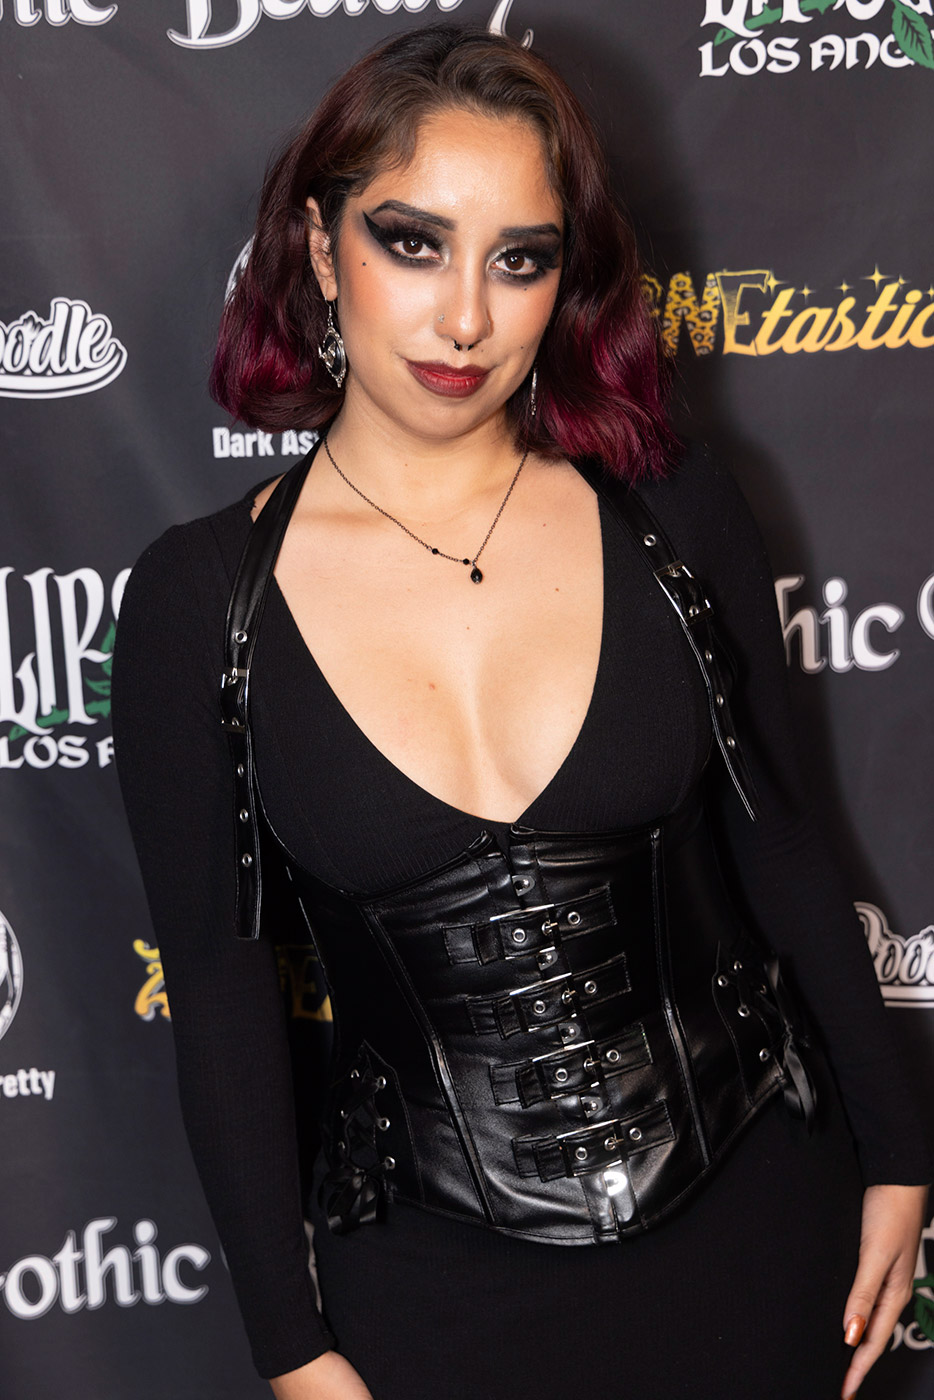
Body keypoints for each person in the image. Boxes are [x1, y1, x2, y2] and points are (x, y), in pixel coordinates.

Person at [112, 23, 930, 1400]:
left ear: (567, 279)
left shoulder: (670, 511)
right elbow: (218, 988)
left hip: (758, 1227)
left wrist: (899, 1149)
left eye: (519, 259)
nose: (465, 321)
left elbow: (785, 844)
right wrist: (289, 1347)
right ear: (321, 250)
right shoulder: (202, 602)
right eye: (412, 244)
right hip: (433, 1296)